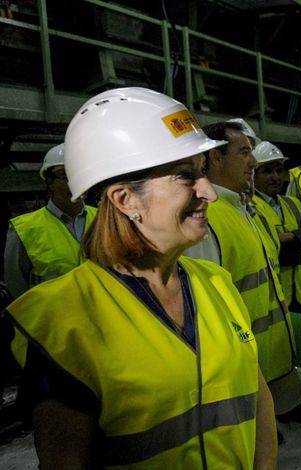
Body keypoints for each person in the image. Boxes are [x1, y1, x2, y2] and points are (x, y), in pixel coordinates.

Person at [2, 87, 277, 468]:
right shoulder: (64, 322)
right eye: (186, 177)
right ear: (124, 199)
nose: (209, 193)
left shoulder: (215, 283)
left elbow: (258, 400)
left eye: (202, 173)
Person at [185, 120, 301, 418]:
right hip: (242, 376)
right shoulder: (207, 219)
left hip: (270, 364)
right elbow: (206, 315)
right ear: (215, 157)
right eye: (244, 152)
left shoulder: (243, 209)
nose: (253, 161)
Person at [4, 144, 97, 298]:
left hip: (101, 316)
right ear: (49, 182)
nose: (74, 182)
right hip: (54, 319)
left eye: (80, 174)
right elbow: (17, 288)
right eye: (64, 176)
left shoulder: (103, 219)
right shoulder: (25, 229)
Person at [252, 140, 301, 364]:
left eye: (278, 170)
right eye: (266, 171)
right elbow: (267, 240)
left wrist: (289, 238)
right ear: (253, 174)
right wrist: (295, 237)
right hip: (276, 296)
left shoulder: (293, 203)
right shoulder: (250, 206)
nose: (275, 177)